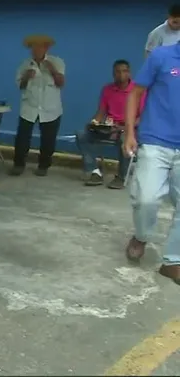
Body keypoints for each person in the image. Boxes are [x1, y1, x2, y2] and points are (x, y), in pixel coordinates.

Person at [122, 41, 180, 283]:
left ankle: (173, 261)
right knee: (146, 198)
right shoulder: (162, 56)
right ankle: (142, 235)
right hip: (156, 140)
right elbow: (135, 93)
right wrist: (129, 133)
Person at [76, 59, 144, 189]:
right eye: (117, 72)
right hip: (110, 128)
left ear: (129, 73)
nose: (121, 75)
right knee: (82, 135)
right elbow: (101, 112)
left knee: (125, 140)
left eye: (124, 71)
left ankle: (121, 177)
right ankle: (94, 172)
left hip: (129, 129)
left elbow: (142, 117)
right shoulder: (107, 90)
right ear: (113, 74)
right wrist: (94, 123)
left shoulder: (137, 91)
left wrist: (124, 128)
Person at [10, 34, 65, 177]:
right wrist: (26, 77)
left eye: (40, 46)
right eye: (34, 47)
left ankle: (43, 166)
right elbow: (20, 86)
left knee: (48, 139)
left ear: (46, 48)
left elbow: (61, 83)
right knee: (22, 138)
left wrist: (52, 69)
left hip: (51, 108)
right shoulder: (24, 64)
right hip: (29, 107)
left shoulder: (57, 62)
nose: (36, 50)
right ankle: (18, 164)